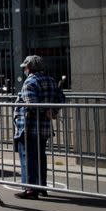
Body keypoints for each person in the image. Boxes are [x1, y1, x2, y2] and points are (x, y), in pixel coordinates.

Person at [13, 55, 65, 199]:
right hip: (44, 127)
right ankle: (41, 186)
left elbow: (31, 103)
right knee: (40, 156)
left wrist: (45, 110)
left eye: (25, 67)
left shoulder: (30, 81)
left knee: (28, 157)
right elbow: (61, 98)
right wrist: (52, 111)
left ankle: (31, 189)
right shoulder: (51, 80)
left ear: (29, 68)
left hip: (29, 126)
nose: (24, 70)